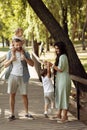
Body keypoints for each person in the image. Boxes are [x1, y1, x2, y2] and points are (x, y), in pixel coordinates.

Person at [4, 37, 34, 121]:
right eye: (16, 45)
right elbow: (5, 65)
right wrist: (11, 59)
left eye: (20, 45)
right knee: (12, 95)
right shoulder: (10, 53)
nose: (18, 46)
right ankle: (12, 114)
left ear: (22, 44)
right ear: (13, 44)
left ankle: (27, 113)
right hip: (12, 76)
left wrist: (25, 58)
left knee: (24, 95)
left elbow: (32, 64)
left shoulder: (26, 53)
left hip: (23, 76)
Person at [49, 41, 71, 123]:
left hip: (64, 79)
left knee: (64, 97)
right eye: (55, 48)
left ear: (61, 48)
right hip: (60, 79)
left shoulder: (63, 57)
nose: (56, 50)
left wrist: (52, 65)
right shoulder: (60, 56)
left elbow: (61, 69)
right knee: (60, 96)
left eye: (57, 48)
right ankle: (59, 114)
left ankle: (64, 116)